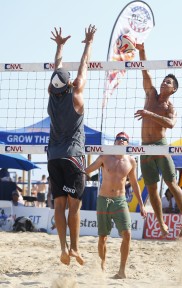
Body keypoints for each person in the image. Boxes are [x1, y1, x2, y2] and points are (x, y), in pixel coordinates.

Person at [47, 24, 97, 266]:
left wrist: (59, 47)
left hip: (53, 157)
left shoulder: (52, 98)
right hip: (73, 156)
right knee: (74, 206)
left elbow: (57, 69)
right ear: (69, 85)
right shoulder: (76, 95)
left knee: (59, 203)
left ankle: (63, 248)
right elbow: (83, 67)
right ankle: (75, 248)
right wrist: (87, 43)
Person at [134, 43, 182, 237]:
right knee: (151, 188)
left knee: (171, 184)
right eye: (164, 81)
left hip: (160, 146)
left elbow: (171, 124)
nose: (163, 83)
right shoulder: (150, 94)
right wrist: (141, 51)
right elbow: (145, 70)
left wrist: (149, 114)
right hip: (145, 148)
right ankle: (160, 223)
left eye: (168, 82)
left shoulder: (170, 107)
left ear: (174, 89)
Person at [85, 131, 147, 279]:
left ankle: (122, 270)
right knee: (102, 237)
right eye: (118, 138)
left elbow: (134, 184)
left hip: (120, 200)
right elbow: (87, 171)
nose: (120, 141)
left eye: (123, 139)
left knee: (127, 234)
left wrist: (142, 205)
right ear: (114, 142)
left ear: (127, 143)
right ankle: (102, 266)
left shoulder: (131, 161)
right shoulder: (105, 157)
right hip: (103, 199)